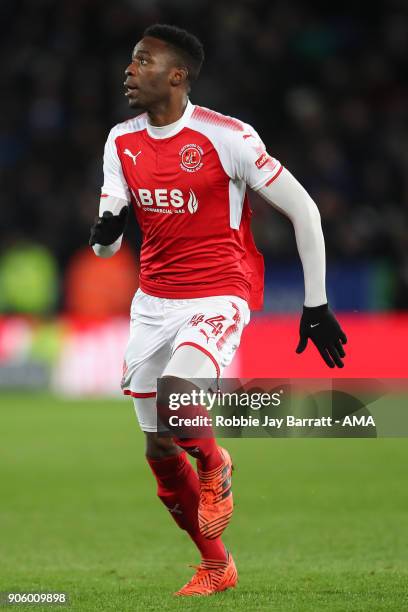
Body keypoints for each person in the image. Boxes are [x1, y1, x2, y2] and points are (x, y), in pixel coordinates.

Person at [89, 23, 347, 597]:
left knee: (182, 395)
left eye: (142, 62)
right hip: (152, 303)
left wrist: (316, 303)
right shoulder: (120, 141)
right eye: (130, 62)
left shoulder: (227, 137)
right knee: (158, 448)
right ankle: (216, 565)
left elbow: (305, 212)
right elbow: (106, 242)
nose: (129, 72)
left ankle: (215, 465)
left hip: (217, 292)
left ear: (176, 75)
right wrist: (106, 235)